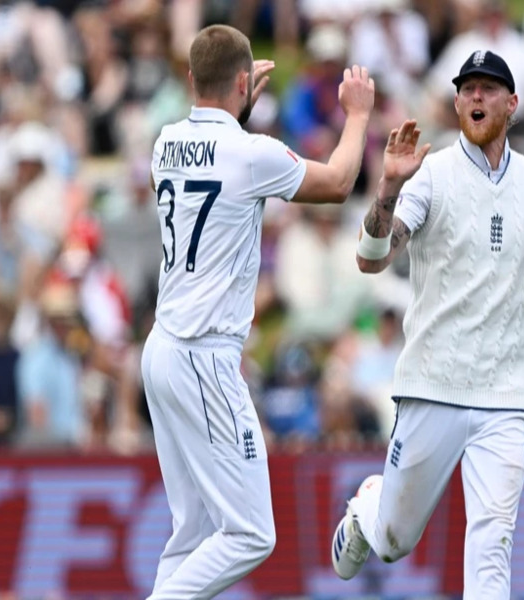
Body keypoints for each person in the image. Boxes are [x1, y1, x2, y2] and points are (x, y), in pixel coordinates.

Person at [330, 50, 524, 597]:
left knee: (493, 542)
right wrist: (389, 189)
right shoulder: (431, 175)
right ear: (455, 102)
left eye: (488, 88)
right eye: (467, 88)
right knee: (395, 539)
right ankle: (366, 507)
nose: (475, 96)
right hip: (432, 385)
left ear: (512, 104)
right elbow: (371, 259)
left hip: (505, 396)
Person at [142, 25, 375, 599]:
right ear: (246, 84)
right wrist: (359, 115)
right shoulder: (251, 154)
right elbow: (341, 182)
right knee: (250, 534)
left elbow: (216, 156)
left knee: (192, 533)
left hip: (162, 349)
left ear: (191, 79)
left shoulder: (165, 140)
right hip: (204, 357)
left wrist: (236, 101)